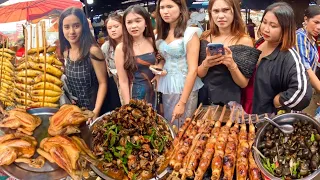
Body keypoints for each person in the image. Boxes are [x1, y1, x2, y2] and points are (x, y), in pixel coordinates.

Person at [251, 2, 312, 114]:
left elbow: (303, 94)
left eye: (273, 26)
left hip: (269, 121)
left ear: (285, 28)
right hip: (251, 114)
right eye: (264, 22)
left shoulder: (289, 57)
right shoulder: (258, 44)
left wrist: (279, 100)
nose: (266, 29)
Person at [155, 0, 203, 127]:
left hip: (185, 86)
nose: (165, 11)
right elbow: (164, 58)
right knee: (169, 125)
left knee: (185, 128)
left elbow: (193, 70)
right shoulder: (160, 33)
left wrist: (182, 102)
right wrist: (159, 66)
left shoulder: (190, 33)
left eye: (170, 6)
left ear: (181, 8)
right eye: (162, 7)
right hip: (166, 85)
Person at [197, 0, 254, 106]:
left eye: (226, 10)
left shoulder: (245, 40)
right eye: (216, 11)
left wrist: (232, 65)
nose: (221, 16)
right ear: (210, 13)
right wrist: (206, 64)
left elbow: (243, 83)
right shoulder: (205, 36)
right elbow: (199, 74)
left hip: (229, 100)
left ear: (235, 12)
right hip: (203, 97)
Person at [59, 7, 108, 119]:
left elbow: (103, 83)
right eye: (66, 27)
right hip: (76, 113)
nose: (71, 31)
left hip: (94, 110)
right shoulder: (66, 53)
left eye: (76, 26)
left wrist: (96, 111)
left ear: (84, 27)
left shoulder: (93, 51)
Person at [114, 5, 157, 107]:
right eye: (129, 22)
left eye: (138, 21)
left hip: (155, 94)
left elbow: (161, 60)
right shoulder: (121, 48)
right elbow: (123, 81)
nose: (133, 26)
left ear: (146, 23)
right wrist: (129, 105)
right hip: (135, 97)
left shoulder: (152, 41)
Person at [100, 13, 122, 111]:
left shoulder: (131, 44)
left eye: (116, 26)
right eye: (109, 28)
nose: (113, 30)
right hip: (115, 85)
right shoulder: (106, 47)